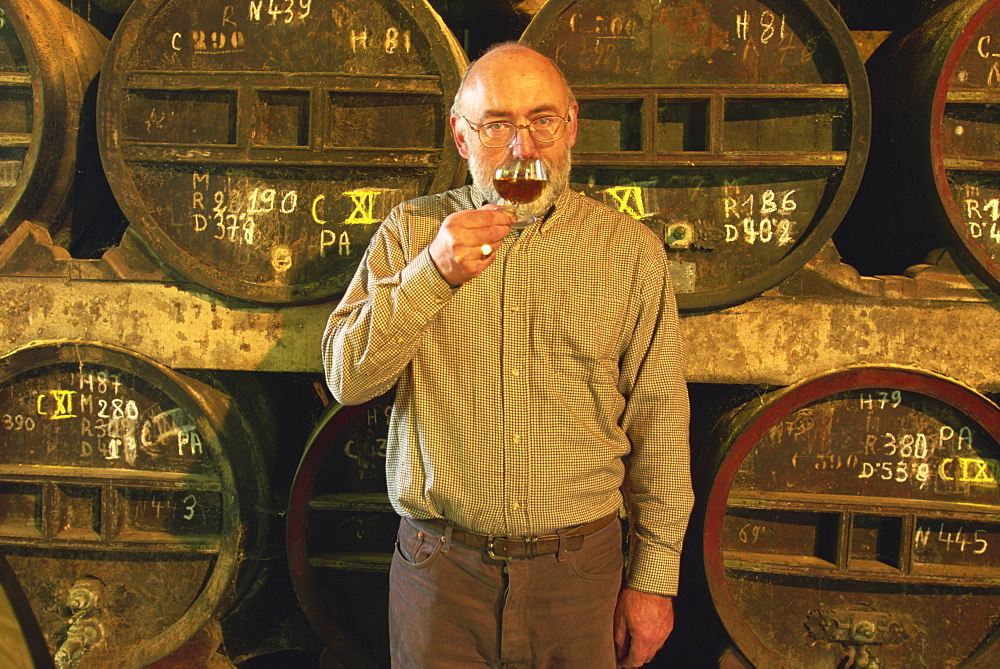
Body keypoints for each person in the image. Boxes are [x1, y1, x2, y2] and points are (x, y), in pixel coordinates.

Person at [322, 42, 693, 668]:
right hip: (441, 573)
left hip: (579, 577)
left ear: (571, 125)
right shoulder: (412, 233)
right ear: (462, 139)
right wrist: (432, 273)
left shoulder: (630, 251)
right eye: (498, 125)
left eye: (541, 120)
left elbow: (659, 422)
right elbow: (347, 379)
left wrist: (654, 580)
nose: (523, 148)